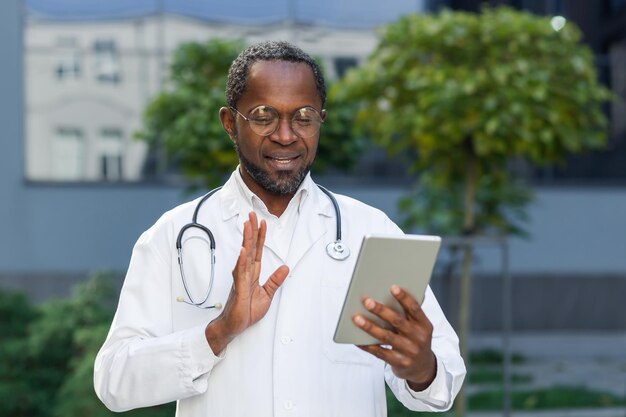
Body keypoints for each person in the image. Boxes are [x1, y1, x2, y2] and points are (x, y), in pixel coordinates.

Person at [94, 40, 465, 416]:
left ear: (321, 119)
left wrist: (421, 368)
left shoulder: (371, 231)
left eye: (303, 117)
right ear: (229, 123)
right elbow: (114, 381)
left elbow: (443, 385)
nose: (285, 135)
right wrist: (218, 332)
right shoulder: (175, 235)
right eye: (263, 116)